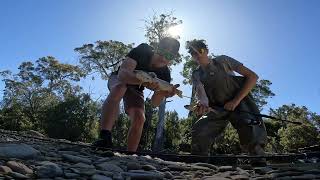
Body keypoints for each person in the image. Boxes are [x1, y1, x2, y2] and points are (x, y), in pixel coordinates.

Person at [186, 39, 267, 163]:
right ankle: (199, 164)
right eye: (193, 53)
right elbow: (201, 94)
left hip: (240, 102)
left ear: (206, 51)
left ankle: (259, 163)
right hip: (217, 108)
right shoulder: (196, 74)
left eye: (200, 51)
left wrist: (235, 101)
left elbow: (253, 77)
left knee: (251, 128)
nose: (197, 55)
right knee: (200, 129)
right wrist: (202, 105)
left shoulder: (223, 60)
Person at [93, 37, 180, 152]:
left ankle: (131, 154)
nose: (163, 58)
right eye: (162, 52)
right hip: (120, 78)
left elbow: (154, 103)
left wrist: (163, 93)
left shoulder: (165, 74)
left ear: (173, 58)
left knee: (139, 117)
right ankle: (104, 137)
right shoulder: (143, 50)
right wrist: (144, 81)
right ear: (157, 48)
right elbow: (123, 74)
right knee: (120, 88)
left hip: (137, 89)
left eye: (169, 56)